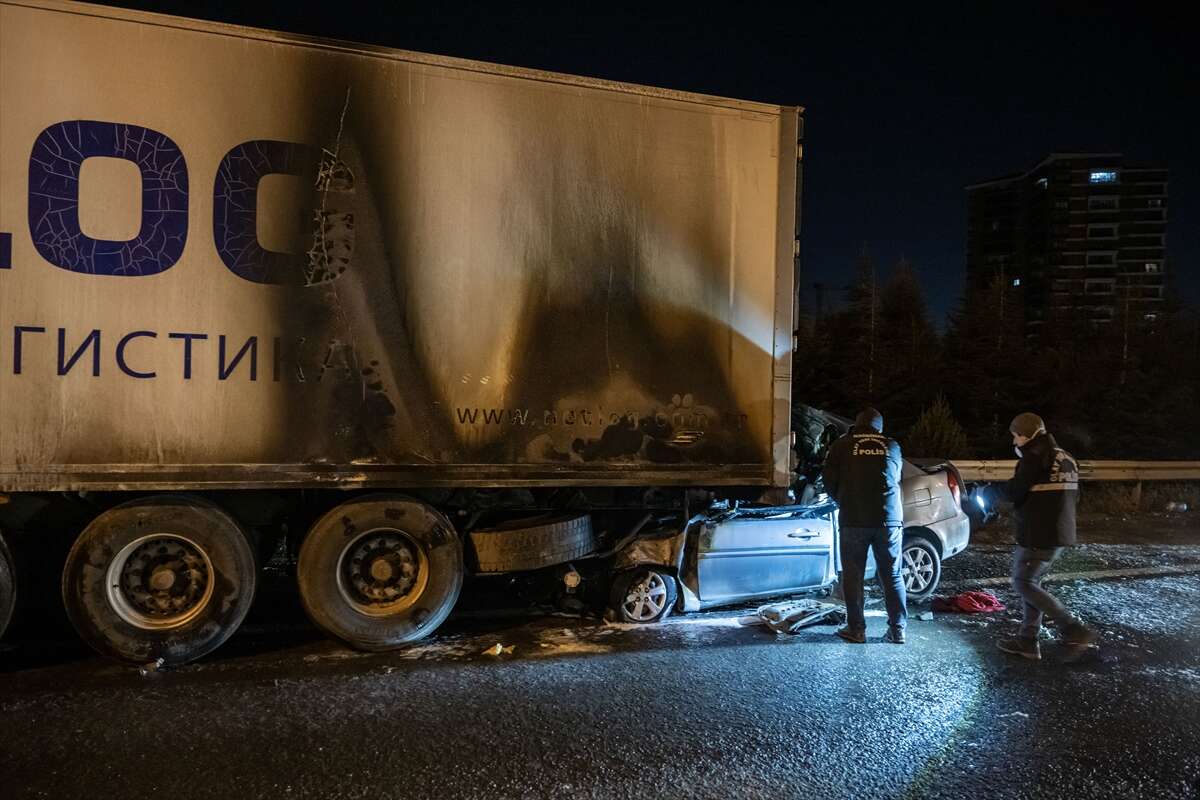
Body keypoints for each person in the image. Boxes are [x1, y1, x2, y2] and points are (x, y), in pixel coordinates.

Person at [996, 412, 1098, 661]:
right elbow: (1076, 496)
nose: (1015, 442)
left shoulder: (1034, 457)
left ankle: (1072, 627)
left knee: (1023, 583)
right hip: (1060, 532)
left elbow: (1016, 492)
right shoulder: (1065, 457)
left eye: (1016, 436)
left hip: (1037, 533)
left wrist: (993, 493)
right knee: (1032, 584)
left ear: (1027, 434)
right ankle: (1028, 640)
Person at [822, 408, 906, 644]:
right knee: (892, 574)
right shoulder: (892, 445)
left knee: (853, 574)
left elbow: (828, 478)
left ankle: (856, 629)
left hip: (854, 518)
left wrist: (843, 499)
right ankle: (897, 629)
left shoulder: (842, 445)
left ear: (857, 425)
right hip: (888, 520)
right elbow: (897, 476)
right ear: (879, 428)